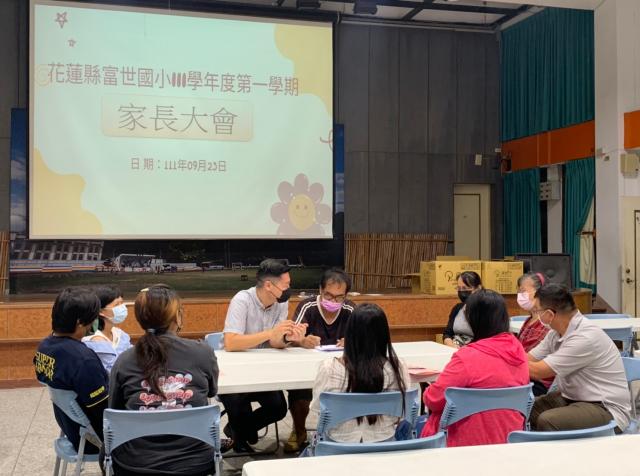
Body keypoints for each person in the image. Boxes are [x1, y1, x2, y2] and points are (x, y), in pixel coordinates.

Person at [108, 284, 221, 475]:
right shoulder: (202, 353)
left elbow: (115, 411)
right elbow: (212, 391)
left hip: (135, 463)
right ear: (177, 316)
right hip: (195, 460)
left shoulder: (124, 361)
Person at [421, 289, 529, 446]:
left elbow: (433, 400)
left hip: (464, 443)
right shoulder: (519, 352)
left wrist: (429, 390)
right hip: (509, 438)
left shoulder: (466, 358)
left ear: (473, 319)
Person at [220, 258, 307, 452]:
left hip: (262, 369)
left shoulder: (280, 303)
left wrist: (288, 338)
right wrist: (270, 333)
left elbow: (275, 341)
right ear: (269, 285)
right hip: (234, 372)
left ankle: (238, 431)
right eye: (285, 285)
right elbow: (231, 342)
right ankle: (241, 437)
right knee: (237, 402)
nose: (288, 289)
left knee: (278, 408)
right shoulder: (242, 300)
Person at [527, 284, 632, 432]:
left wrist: (503, 361)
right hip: (572, 398)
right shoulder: (555, 333)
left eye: (537, 310)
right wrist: (503, 356)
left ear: (549, 314)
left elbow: (538, 371)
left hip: (605, 407)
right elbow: (529, 358)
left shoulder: (584, 337)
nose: (536, 315)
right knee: (525, 409)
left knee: (548, 420)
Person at [309, 303, 409, 442]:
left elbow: (317, 410)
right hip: (384, 444)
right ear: (384, 334)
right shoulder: (397, 367)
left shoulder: (329, 368)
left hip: (337, 446)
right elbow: (401, 413)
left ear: (349, 333)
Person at [284, 268, 356, 453]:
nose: (333, 301)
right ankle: (299, 430)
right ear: (320, 290)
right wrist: (302, 341)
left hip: (341, 368)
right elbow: (290, 336)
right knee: (299, 392)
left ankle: (341, 430)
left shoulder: (350, 309)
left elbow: (364, 337)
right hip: (308, 367)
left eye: (339, 297)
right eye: (328, 296)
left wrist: (352, 341)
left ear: (346, 296)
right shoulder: (308, 306)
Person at [33, 287, 108, 454]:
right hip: (95, 438)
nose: (95, 321)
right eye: (94, 317)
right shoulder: (84, 360)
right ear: (80, 322)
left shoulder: (44, 346)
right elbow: (104, 410)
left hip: (71, 428)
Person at [515, 272, 553, 395]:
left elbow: (530, 357)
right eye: (518, 292)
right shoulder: (530, 320)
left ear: (539, 292)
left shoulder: (545, 323)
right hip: (524, 372)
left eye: (523, 291)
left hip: (538, 380)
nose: (520, 296)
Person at [82, 285, 131, 372]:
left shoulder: (118, 333)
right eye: (117, 305)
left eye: (122, 303)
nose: (122, 307)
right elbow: (114, 370)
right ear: (101, 311)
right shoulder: (94, 340)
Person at [442, 271, 482, 348]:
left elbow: (484, 338)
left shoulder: (486, 310)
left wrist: (465, 349)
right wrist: (450, 344)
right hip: (453, 348)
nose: (462, 292)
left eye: (465, 288)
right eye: (459, 288)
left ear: (478, 288)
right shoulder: (457, 308)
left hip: (474, 350)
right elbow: (447, 333)